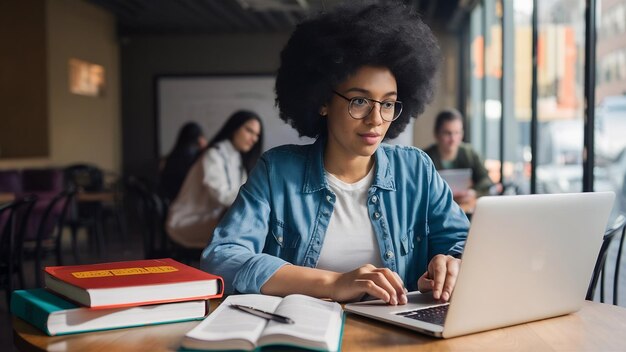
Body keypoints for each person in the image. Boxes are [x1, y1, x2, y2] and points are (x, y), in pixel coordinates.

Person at [202, 0, 469, 306]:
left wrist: (452, 264)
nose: (376, 119)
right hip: (302, 329)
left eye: (387, 103)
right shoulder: (277, 171)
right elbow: (221, 258)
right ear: (322, 101)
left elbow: (462, 244)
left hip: (397, 334)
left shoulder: (416, 170)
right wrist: (333, 282)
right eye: (359, 101)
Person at [166, 110, 263, 249]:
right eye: (249, 131)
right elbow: (221, 197)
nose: (253, 139)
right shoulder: (213, 154)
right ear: (234, 128)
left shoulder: (238, 158)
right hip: (189, 221)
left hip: (214, 219)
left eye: (257, 135)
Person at [424, 108, 496, 204]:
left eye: (457, 133)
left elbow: (486, 181)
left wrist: (473, 192)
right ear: (437, 134)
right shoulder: (424, 158)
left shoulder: (469, 153)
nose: (453, 139)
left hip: (464, 207)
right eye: (447, 133)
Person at [159, 122, 208, 202]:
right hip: (186, 200)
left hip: (169, 201)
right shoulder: (194, 158)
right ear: (199, 139)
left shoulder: (169, 158)